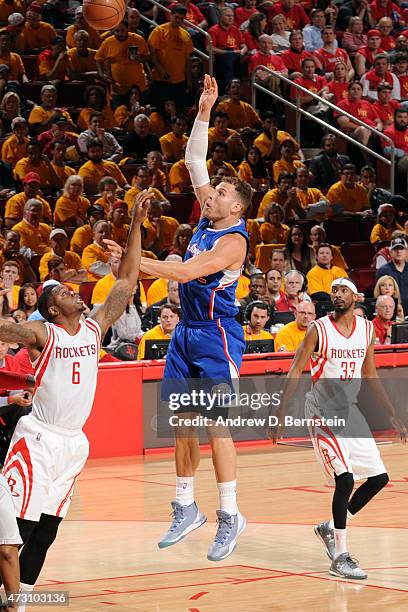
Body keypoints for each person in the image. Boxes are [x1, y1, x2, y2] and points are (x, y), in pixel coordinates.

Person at [0, 189, 150, 605]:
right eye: (63, 294)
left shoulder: (94, 327)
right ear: (50, 310)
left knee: (48, 531)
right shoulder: (40, 334)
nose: (72, 292)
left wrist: (136, 224)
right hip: (37, 438)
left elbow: (127, 282)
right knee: (20, 530)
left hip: (73, 442)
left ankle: (20, 598)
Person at [139, 75, 251, 560]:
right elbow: (192, 159)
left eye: (222, 190)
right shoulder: (208, 220)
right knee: (181, 420)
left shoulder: (233, 242)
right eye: (214, 188)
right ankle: (187, 506)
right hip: (186, 333)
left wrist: (135, 262)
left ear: (239, 206)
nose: (212, 192)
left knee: (214, 425)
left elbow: (186, 271)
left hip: (217, 336)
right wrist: (204, 109)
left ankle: (231, 514)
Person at [270, 277, 406, 580]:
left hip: (350, 412)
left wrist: (392, 413)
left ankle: (330, 527)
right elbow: (295, 369)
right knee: (344, 479)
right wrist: (280, 413)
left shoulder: (367, 329)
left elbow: (370, 373)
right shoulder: (319, 329)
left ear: (356, 296)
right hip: (321, 412)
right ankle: (341, 557)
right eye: (333, 290)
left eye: (343, 289)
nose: (337, 294)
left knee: (379, 478)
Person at [95, 19, 150, 109]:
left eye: (122, 31)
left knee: (139, 113)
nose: (119, 33)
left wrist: (139, 58)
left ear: (128, 29)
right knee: (120, 115)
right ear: (113, 30)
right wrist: (102, 74)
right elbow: (98, 58)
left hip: (138, 87)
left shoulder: (138, 39)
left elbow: (147, 56)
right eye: (117, 31)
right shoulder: (108, 42)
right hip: (118, 89)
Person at [148, 4, 193, 109]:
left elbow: (188, 59)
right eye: (176, 17)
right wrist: (161, 70)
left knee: (179, 109)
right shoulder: (159, 31)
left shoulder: (186, 35)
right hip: (161, 79)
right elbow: (152, 54)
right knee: (161, 110)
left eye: (181, 18)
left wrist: (189, 80)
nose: (178, 20)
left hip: (179, 80)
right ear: (170, 15)